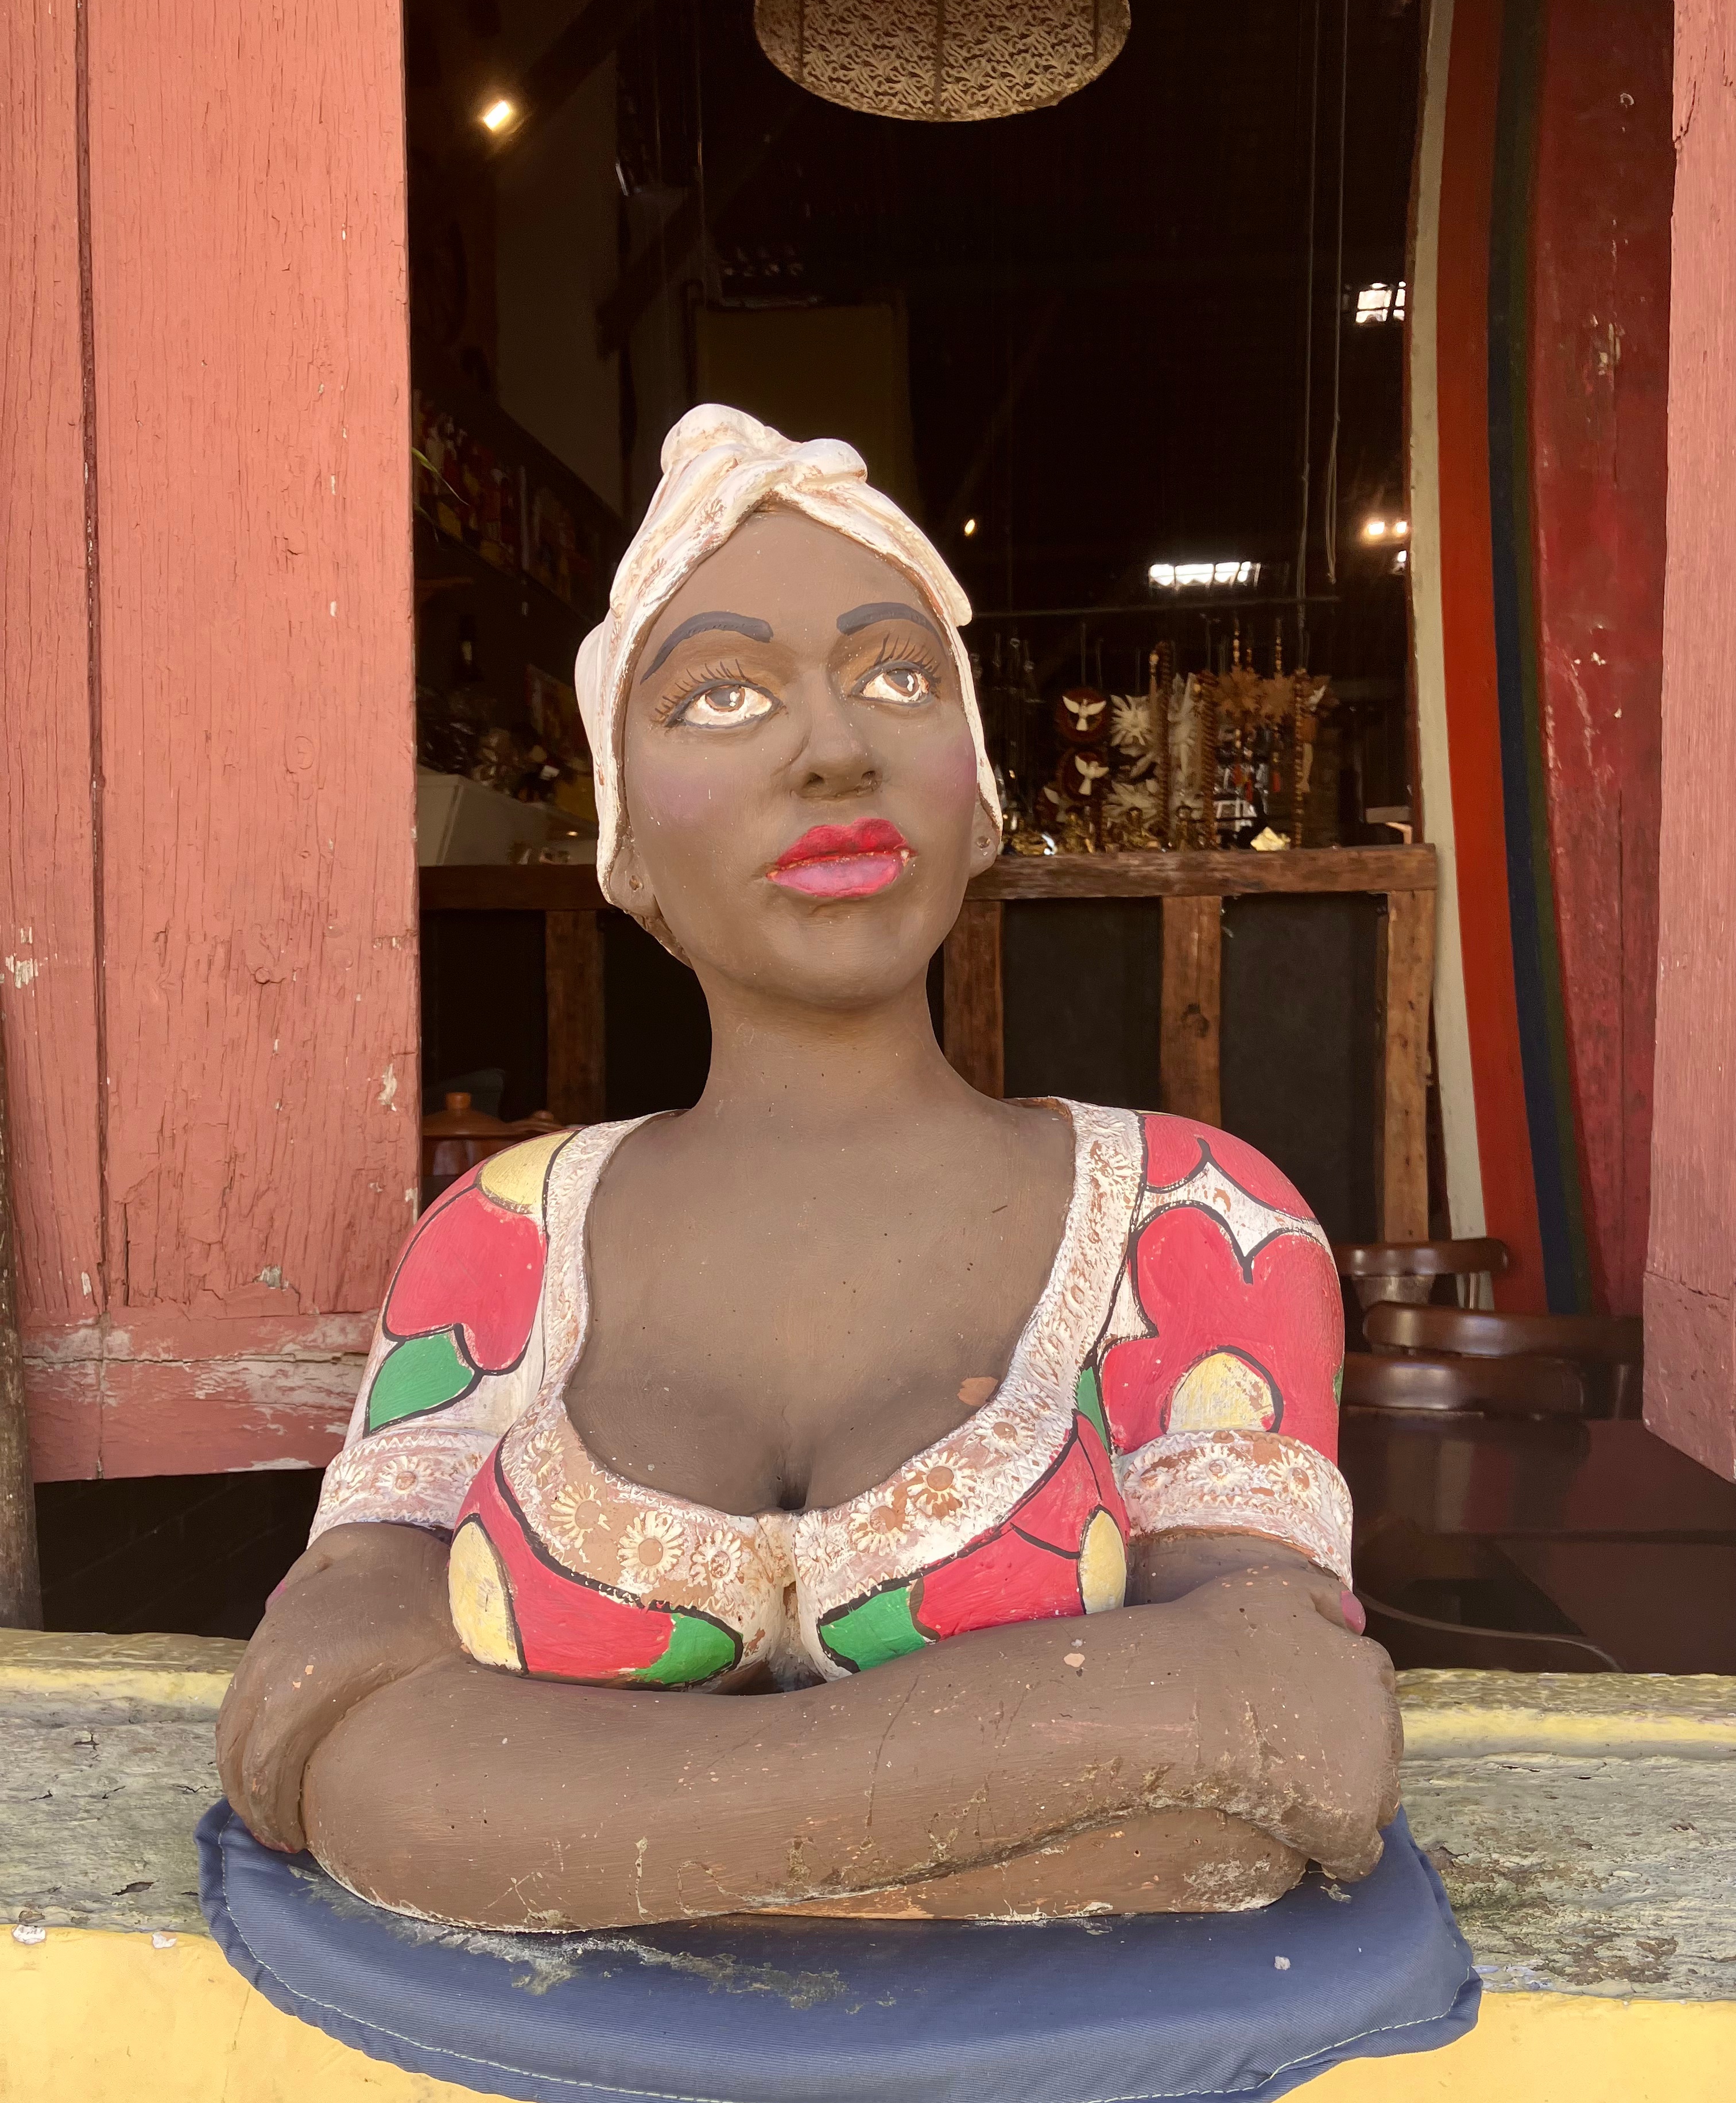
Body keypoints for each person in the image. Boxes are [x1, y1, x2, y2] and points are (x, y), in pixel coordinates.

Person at [218, 407, 1400, 1933]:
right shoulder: (503, 1239)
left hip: (1066, 2088)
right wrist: (1117, 1746)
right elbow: (319, 1725)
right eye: (720, 696)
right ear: (625, 841)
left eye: (900, 678)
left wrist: (518, 1817)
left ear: (979, 797)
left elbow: (1301, 1736)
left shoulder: (1201, 1220)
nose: (838, 749)